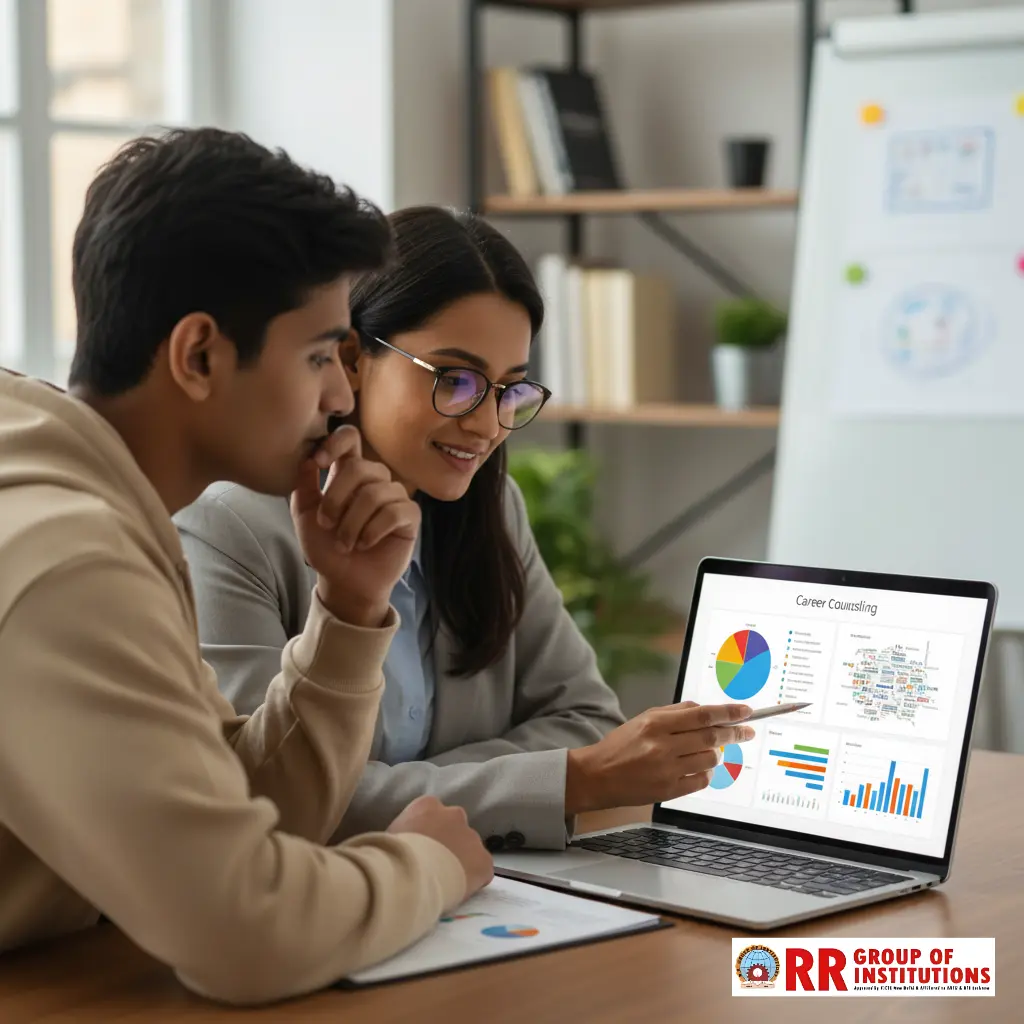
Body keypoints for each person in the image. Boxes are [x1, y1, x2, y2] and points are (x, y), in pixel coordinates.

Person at [0, 130, 492, 1007]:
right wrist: (427, 864)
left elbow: (230, 812)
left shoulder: (85, 498)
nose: (341, 397)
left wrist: (349, 608)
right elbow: (246, 933)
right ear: (198, 356)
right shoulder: (70, 560)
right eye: (319, 357)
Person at [175, 206, 756, 853]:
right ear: (352, 358)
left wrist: (391, 786)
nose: (486, 424)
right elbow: (269, 797)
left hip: (485, 884)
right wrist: (565, 780)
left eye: (509, 390)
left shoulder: (492, 507)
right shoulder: (228, 529)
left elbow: (588, 718)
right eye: (455, 380)